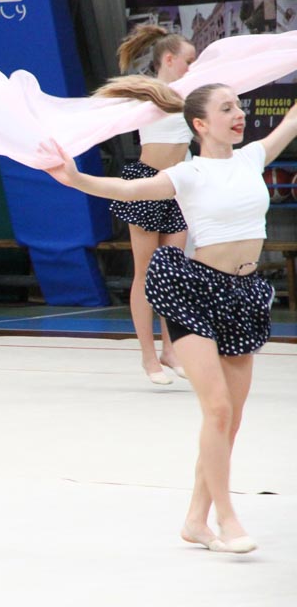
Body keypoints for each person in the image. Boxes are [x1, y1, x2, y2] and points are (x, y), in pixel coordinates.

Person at [43, 79, 297, 554]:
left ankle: (195, 520)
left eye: (239, 107)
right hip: (195, 292)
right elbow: (128, 188)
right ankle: (227, 519)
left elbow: (292, 120)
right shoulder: (188, 173)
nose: (239, 115)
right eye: (227, 109)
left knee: (230, 419)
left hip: (243, 295)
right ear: (200, 124)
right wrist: (75, 178)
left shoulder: (253, 157)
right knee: (217, 409)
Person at [109, 25, 197, 385]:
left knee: (171, 271)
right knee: (145, 272)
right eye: (189, 61)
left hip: (178, 185)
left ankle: (170, 349)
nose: (192, 67)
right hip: (147, 183)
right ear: (170, 59)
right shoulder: (146, 94)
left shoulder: (192, 94)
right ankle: (148, 356)